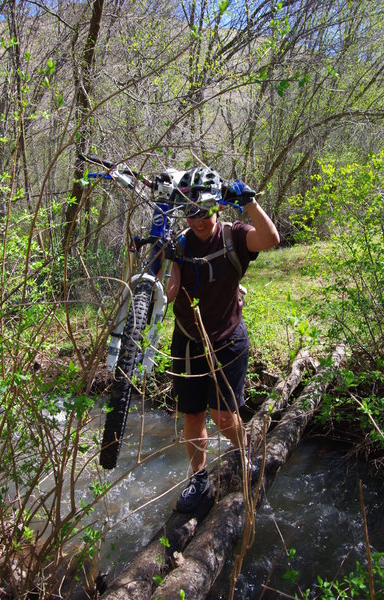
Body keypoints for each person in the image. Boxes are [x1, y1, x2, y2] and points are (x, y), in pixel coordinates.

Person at [169, 168, 280, 513]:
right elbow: (171, 292)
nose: (198, 220)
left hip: (228, 339)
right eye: (190, 212)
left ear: (215, 205)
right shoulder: (180, 244)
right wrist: (155, 265)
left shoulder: (235, 236)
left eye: (203, 210)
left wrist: (249, 203)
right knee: (193, 417)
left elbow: (271, 239)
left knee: (222, 414)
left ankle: (243, 453)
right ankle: (199, 479)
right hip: (189, 342)